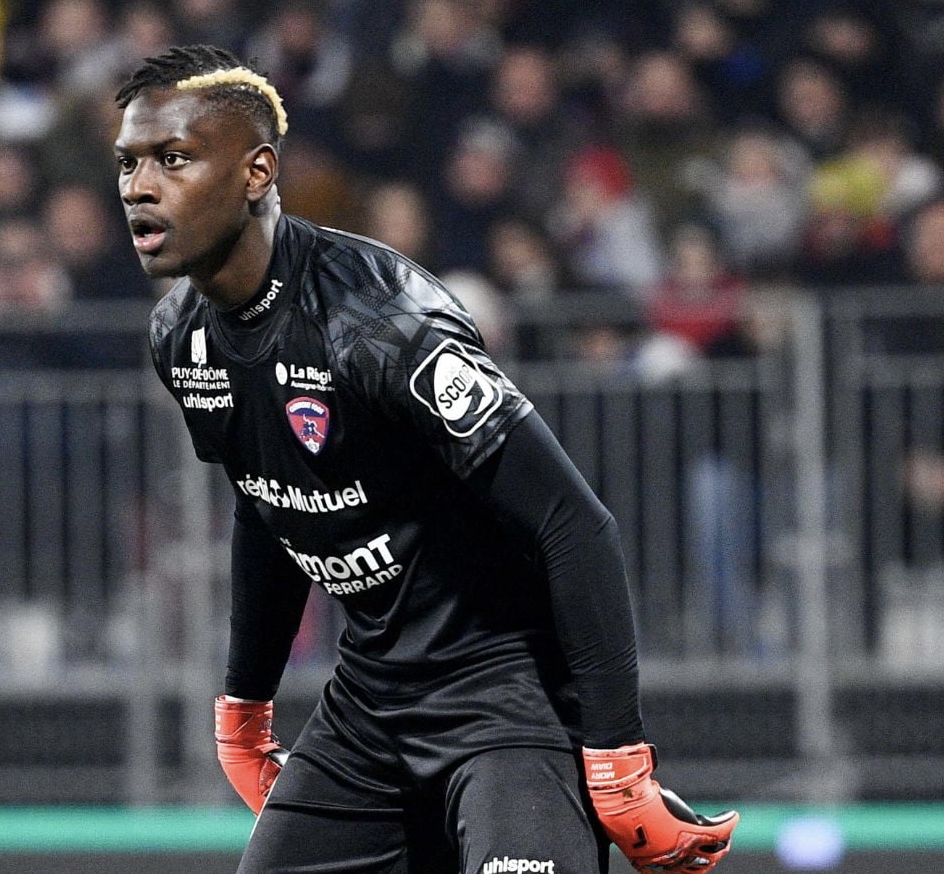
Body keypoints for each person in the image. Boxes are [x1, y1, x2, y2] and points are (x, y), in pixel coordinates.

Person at [114, 44, 739, 874]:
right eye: (128, 163)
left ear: (257, 171)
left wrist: (618, 756)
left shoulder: (381, 321)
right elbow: (265, 503)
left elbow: (574, 524)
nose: (139, 187)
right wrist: (246, 709)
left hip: (509, 704)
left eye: (174, 159)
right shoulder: (179, 336)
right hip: (370, 703)